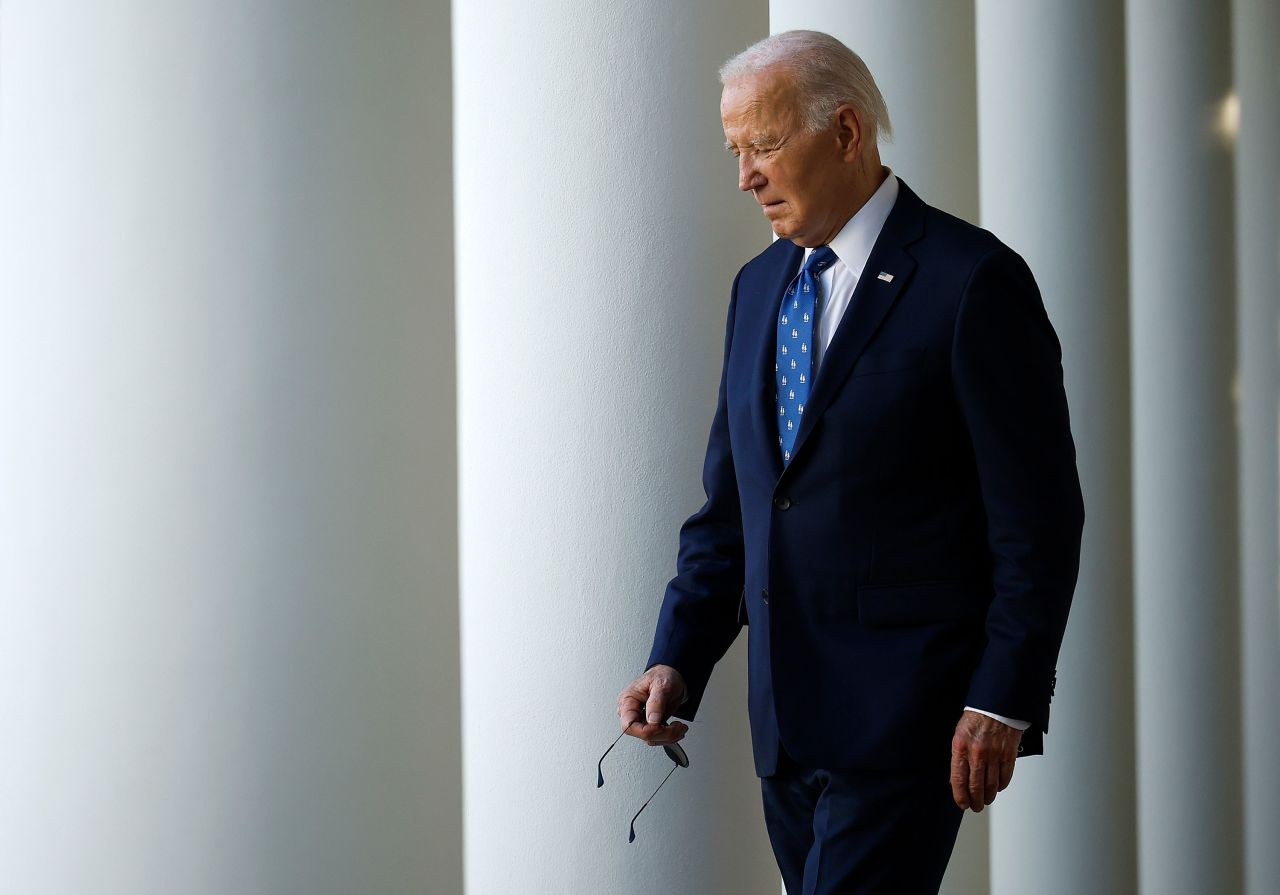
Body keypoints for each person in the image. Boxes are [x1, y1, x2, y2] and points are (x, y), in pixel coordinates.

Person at [613, 30, 1085, 894]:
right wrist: (676, 657)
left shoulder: (973, 280)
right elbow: (737, 508)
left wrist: (1002, 697)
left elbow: (1040, 520)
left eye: (763, 144)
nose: (745, 174)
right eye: (735, 150)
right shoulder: (757, 289)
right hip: (784, 728)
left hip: (909, 721)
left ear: (845, 131)